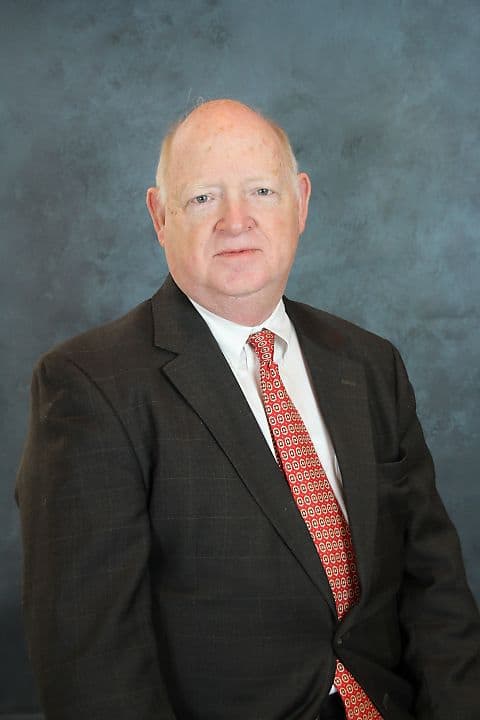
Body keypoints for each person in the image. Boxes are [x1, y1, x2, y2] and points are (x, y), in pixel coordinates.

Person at [16, 99, 480, 720]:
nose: (236, 221)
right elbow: (92, 664)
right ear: (160, 216)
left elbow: (436, 589)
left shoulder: (370, 364)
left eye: (261, 191)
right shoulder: (88, 385)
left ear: (301, 203)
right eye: (203, 197)